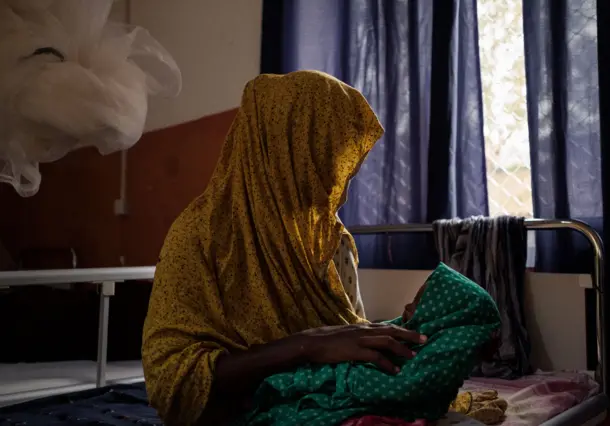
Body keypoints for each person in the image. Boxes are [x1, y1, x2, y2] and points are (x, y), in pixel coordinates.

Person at [141, 71, 427, 426]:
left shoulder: (331, 241)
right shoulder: (201, 236)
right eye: (327, 162)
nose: (339, 189)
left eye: (343, 171)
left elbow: (346, 334)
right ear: (283, 151)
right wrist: (305, 346)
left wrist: (412, 331)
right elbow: (173, 383)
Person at [241, 262, 502, 425]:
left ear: (442, 317)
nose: (407, 307)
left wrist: (349, 377)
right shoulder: (405, 330)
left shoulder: (436, 357)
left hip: (345, 385)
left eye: (419, 303)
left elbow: (403, 388)